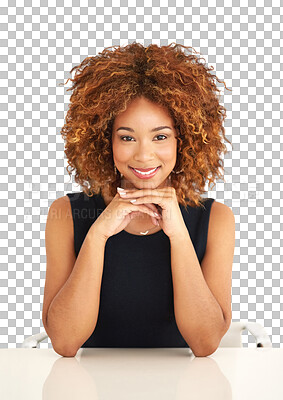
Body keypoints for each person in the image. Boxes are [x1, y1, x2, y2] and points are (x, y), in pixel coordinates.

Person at [42, 42, 235, 357]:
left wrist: (178, 233)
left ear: (182, 140)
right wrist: (98, 234)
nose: (144, 156)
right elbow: (64, 342)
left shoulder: (216, 219)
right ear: (106, 141)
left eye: (160, 136)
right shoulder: (66, 213)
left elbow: (205, 343)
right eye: (127, 137)